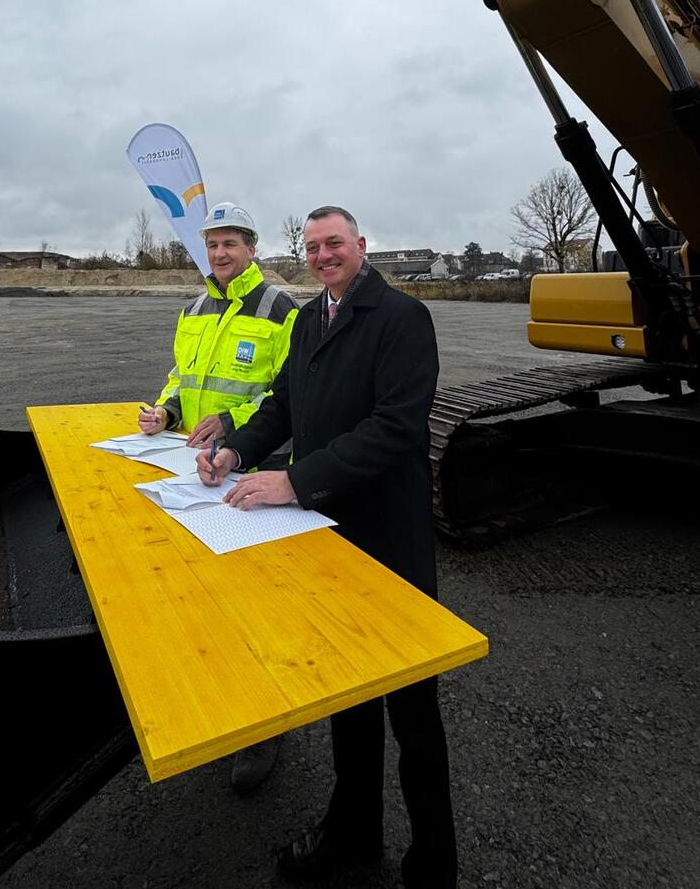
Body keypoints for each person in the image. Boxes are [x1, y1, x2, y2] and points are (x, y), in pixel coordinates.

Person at [196, 205, 456, 888]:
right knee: (348, 698)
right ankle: (354, 832)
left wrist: (295, 479)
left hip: (388, 543)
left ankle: (434, 862)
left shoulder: (401, 319)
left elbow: (397, 429)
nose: (322, 254)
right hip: (326, 538)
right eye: (311, 246)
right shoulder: (311, 319)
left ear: (360, 246)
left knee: (412, 711)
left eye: (333, 242)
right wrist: (236, 450)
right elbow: (283, 404)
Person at [138, 200, 298, 793]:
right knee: (202, 593)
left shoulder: (282, 310)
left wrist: (233, 424)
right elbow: (183, 376)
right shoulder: (194, 307)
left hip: (256, 470)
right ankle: (214, 700)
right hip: (195, 468)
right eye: (212, 244)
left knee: (259, 604)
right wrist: (166, 410)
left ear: (252, 248)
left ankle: (266, 724)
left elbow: (289, 394)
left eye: (231, 243)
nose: (220, 253)